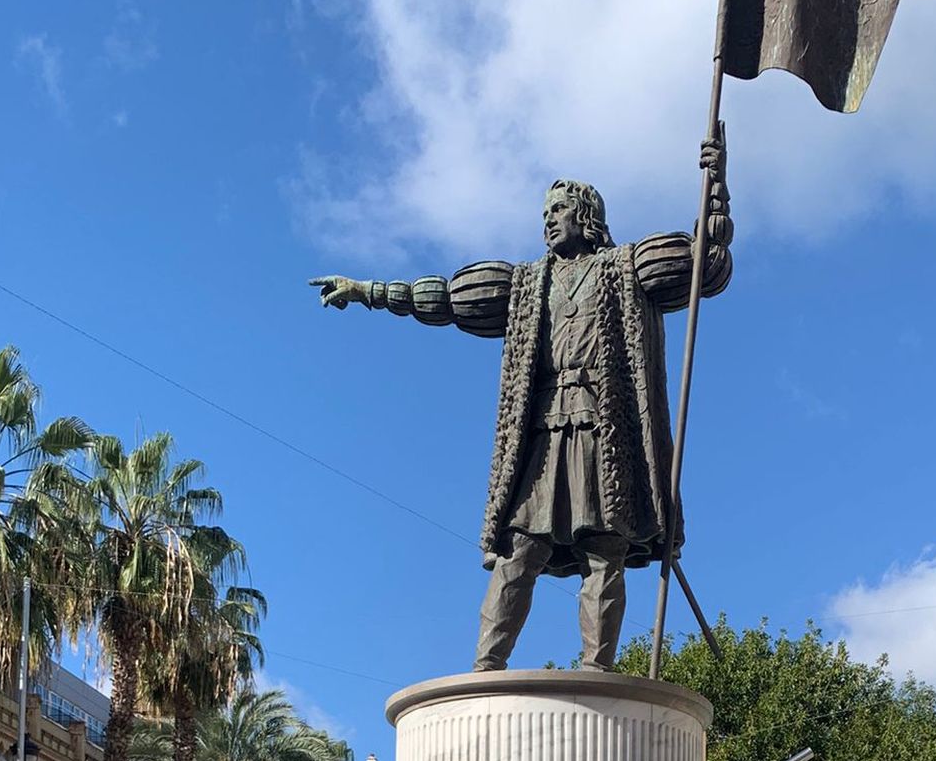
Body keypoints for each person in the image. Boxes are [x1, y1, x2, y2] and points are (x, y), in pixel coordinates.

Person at [312, 141, 732, 673]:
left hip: (606, 432)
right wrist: (369, 291)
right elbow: (446, 299)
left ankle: (596, 669)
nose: (548, 221)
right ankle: (486, 669)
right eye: (544, 213)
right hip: (540, 434)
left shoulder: (628, 267)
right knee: (520, 550)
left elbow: (705, 264)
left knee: (606, 549)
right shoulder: (525, 284)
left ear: (586, 215)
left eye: (558, 209)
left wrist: (715, 193)